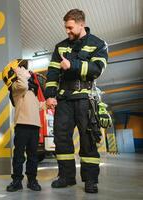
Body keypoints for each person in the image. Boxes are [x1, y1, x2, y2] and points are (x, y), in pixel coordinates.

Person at [44, 9, 108, 193]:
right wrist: (49, 95)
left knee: (88, 139)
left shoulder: (98, 44)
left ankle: (90, 181)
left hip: (85, 98)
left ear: (81, 24)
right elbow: (53, 73)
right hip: (64, 99)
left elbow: (97, 69)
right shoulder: (60, 46)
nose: (68, 31)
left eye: (70, 27)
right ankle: (66, 177)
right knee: (61, 139)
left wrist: (73, 65)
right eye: (66, 28)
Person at [2, 59, 43, 192]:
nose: (27, 71)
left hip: (35, 126)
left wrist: (47, 103)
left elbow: (38, 106)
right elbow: (23, 85)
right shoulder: (16, 89)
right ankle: (17, 181)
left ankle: (32, 180)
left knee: (33, 155)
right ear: (14, 73)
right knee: (19, 155)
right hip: (22, 125)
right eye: (22, 69)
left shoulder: (32, 91)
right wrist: (20, 73)